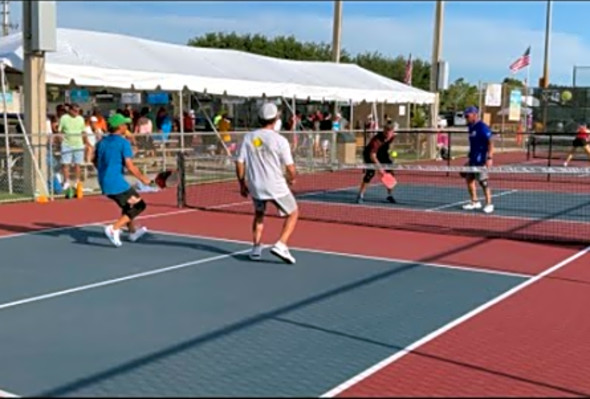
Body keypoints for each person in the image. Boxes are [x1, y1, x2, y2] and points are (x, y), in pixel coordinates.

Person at [235, 102, 298, 264]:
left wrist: (242, 183)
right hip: (275, 186)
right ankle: (281, 244)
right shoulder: (280, 140)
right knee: (293, 213)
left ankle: (256, 248)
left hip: (256, 186)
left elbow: (239, 162)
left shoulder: (248, 137)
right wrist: (292, 178)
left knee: (259, 214)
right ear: (276, 118)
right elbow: (290, 168)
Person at [94, 113, 152, 247]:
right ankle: (114, 228)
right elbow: (130, 165)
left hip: (104, 180)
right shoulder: (123, 143)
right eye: (125, 124)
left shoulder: (102, 142)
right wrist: (144, 179)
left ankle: (132, 232)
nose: (126, 126)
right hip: (115, 182)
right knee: (139, 205)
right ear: (119, 127)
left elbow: (94, 161)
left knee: (128, 205)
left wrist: (106, 171)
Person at [461, 106, 494, 214]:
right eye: (465, 116)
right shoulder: (470, 127)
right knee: (469, 179)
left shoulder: (483, 127)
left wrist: (489, 157)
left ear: (474, 115)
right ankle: (475, 201)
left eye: (467, 115)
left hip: (481, 160)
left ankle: (489, 204)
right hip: (473, 159)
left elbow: (490, 143)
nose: (466, 118)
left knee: (483, 182)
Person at [357, 121, 397, 204]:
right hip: (369, 155)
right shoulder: (376, 141)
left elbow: (389, 145)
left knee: (390, 173)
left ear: (392, 131)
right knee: (370, 174)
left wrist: (390, 154)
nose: (387, 133)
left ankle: (389, 195)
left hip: (382, 153)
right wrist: (380, 168)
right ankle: (361, 195)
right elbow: (372, 156)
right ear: (384, 130)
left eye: (389, 131)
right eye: (386, 131)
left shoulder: (393, 137)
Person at [57, 103, 87, 190]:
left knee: (78, 165)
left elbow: (83, 131)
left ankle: (77, 182)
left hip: (78, 144)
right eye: (74, 110)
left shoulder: (81, 119)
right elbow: (60, 131)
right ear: (70, 110)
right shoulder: (64, 118)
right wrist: (61, 140)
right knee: (66, 164)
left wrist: (85, 142)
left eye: (78, 111)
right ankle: (66, 181)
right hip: (67, 144)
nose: (76, 112)